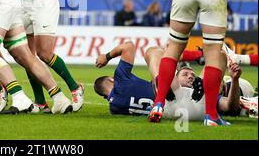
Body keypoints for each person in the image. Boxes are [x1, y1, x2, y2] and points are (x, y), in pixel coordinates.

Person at [94, 41, 243, 119]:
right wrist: (106, 57)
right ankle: (162, 83)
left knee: (164, 57)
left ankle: (162, 83)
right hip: (194, 108)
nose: (190, 76)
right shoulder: (119, 80)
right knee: (219, 55)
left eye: (190, 75)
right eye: (185, 74)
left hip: (168, 111)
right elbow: (128, 46)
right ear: (111, 80)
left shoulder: (115, 109)